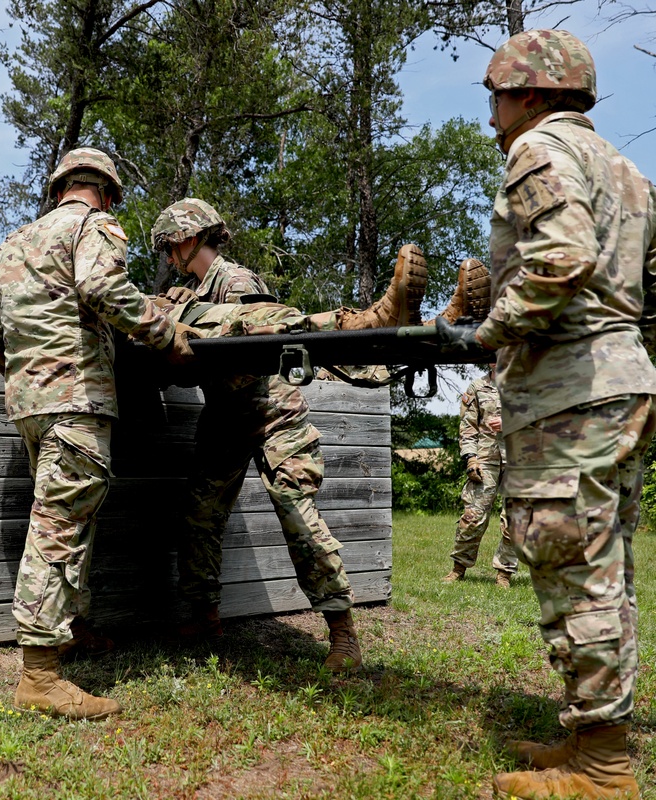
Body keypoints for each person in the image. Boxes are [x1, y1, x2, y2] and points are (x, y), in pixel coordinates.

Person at [436, 29, 656, 800]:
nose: (492, 114)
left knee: (573, 569)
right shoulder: (626, 172)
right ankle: (591, 734)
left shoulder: (538, 151)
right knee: (605, 569)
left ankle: (603, 769)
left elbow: (560, 260)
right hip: (621, 381)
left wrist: (488, 334)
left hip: (569, 387)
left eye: (496, 97)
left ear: (529, 93)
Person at [149, 198, 434, 673]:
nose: (167, 259)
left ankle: (343, 635)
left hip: (270, 407)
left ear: (186, 238)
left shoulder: (235, 281)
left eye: (168, 248)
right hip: (226, 412)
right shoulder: (193, 290)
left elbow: (250, 342)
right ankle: (204, 617)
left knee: (295, 512)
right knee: (200, 517)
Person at [0, 147, 196, 721]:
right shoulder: (94, 226)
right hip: (77, 400)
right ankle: (40, 677)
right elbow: (102, 289)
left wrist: (28, 376)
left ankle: (69, 632)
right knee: (59, 527)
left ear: (58, 188)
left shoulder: (13, 245)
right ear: (107, 191)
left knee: (65, 519)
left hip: (30, 405)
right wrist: (162, 332)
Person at [442, 367, 519, 588]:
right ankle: (458, 568)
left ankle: (504, 573)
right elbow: (468, 427)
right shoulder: (477, 387)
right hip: (485, 459)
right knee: (473, 515)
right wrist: (471, 458)